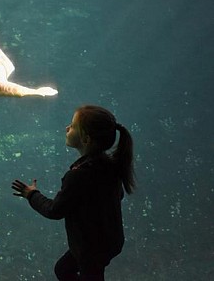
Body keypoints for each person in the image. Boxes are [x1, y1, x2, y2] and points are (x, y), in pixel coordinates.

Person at [11, 105, 135, 281]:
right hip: (109, 241)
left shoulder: (78, 175)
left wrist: (31, 194)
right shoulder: (109, 165)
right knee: (63, 270)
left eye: (72, 126)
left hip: (90, 247)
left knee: (83, 273)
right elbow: (117, 195)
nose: (67, 128)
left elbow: (54, 210)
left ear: (85, 139)